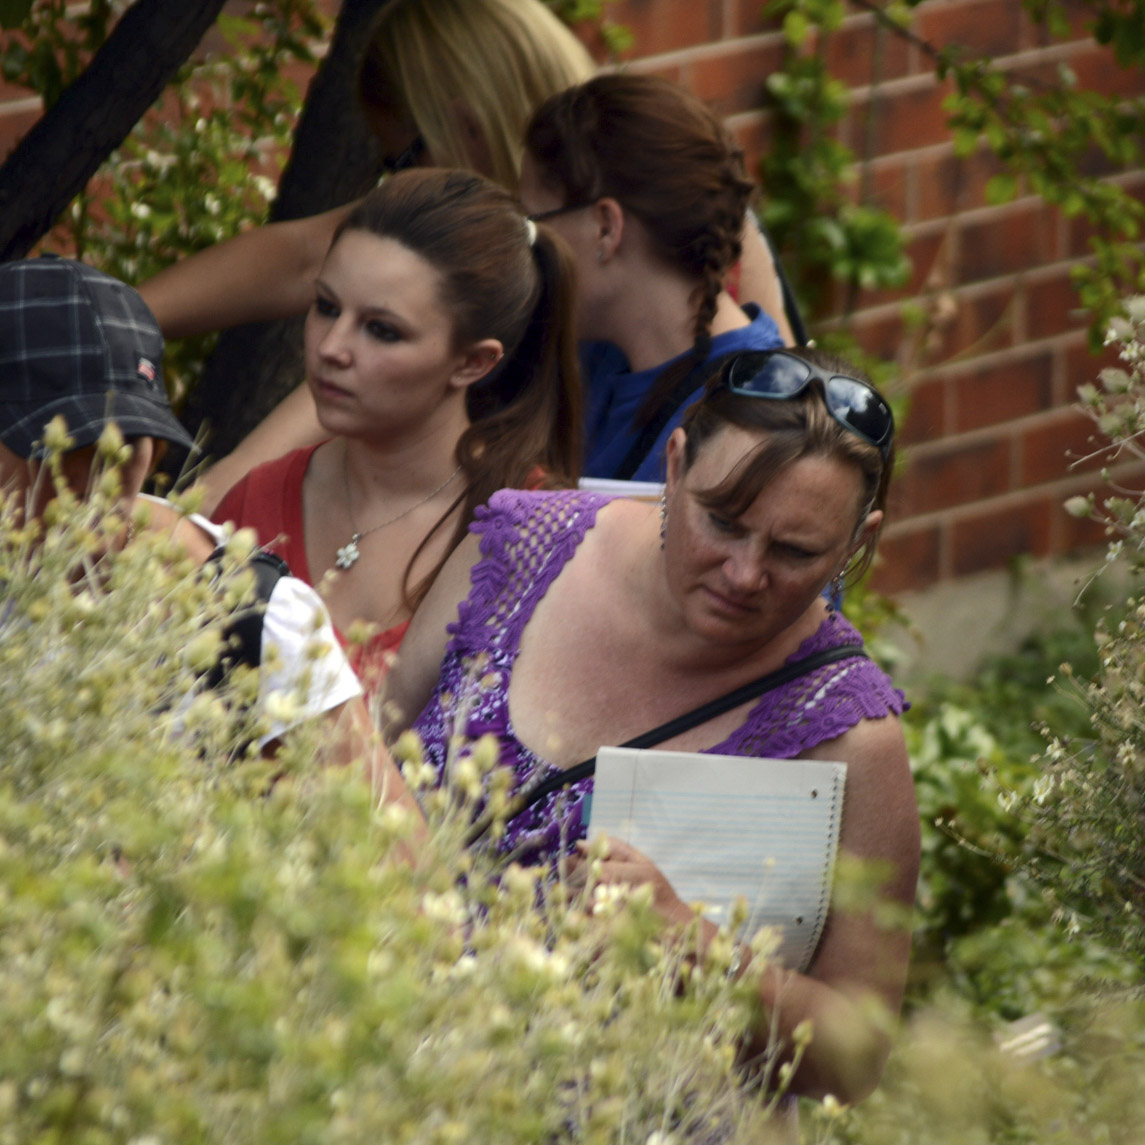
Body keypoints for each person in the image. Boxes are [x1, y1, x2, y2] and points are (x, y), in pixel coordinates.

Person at [384, 347, 918, 1105]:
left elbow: (856, 1056)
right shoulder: (521, 548)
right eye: (722, 522)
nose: (743, 572)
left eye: (796, 552)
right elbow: (362, 757)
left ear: (859, 540)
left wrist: (695, 949)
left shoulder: (846, 732)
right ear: (674, 463)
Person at [137, 0, 798, 510]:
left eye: (402, 156)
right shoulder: (613, 314)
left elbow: (778, 463)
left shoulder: (730, 382)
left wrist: (211, 500)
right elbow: (308, 259)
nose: (399, 180)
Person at [0, 255, 415, 821]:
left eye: (128, 442)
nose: (97, 479)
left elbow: (396, 875)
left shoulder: (250, 613)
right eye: (59, 444)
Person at [209, 167, 581, 696]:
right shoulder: (255, 500)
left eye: (382, 329)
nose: (332, 346)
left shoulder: (536, 535)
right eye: (326, 306)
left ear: (473, 363)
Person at [520, 72, 787, 483]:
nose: (529, 251)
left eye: (534, 225)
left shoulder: (751, 423)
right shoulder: (598, 355)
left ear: (606, 228)